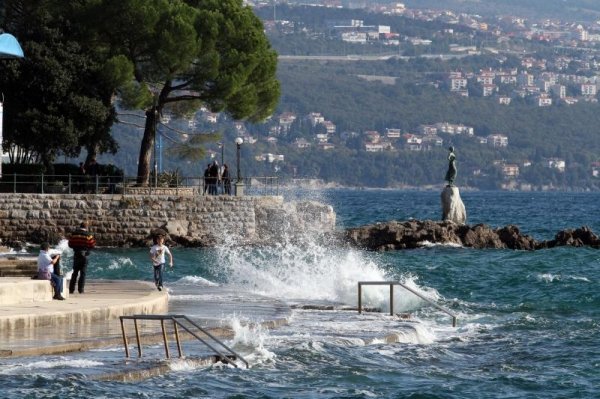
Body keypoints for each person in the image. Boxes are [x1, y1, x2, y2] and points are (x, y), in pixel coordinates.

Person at [68, 221, 96, 294]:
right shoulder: (88, 235)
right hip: (84, 255)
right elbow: (92, 244)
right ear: (86, 227)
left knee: (75, 272)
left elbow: (70, 244)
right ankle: (81, 289)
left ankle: (71, 289)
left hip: (76, 254)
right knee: (83, 273)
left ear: (80, 226)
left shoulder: (73, 234)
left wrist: (76, 246)